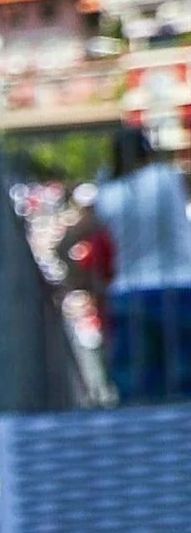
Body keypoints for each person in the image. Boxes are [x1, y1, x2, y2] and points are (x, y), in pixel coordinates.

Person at [92, 125, 191, 404]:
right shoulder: (167, 178)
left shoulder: (108, 195)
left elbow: (71, 240)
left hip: (129, 293)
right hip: (181, 287)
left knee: (138, 390)